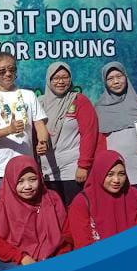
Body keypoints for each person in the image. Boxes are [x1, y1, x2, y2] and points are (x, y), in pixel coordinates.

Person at [0, 155, 72, 271]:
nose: (27, 186)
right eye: (20, 181)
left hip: (52, 256)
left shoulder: (52, 199)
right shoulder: (1, 207)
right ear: (11, 182)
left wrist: (59, 258)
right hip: (14, 259)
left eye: (33, 179)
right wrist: (22, 257)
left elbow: (66, 233)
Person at [0, 51, 49, 200]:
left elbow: (40, 125)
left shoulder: (28, 95)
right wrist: (10, 130)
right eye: (2, 71)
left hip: (27, 169)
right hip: (0, 170)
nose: (8, 74)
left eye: (11, 69)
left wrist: (43, 142)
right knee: (3, 215)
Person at [39, 62, 99, 205]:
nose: (60, 81)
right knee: (53, 215)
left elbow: (89, 134)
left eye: (65, 77)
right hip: (46, 171)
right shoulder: (39, 103)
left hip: (72, 170)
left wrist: (84, 166)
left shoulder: (79, 101)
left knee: (74, 212)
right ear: (49, 80)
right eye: (56, 78)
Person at [69, 150, 137, 249]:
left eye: (121, 174)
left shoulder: (134, 195)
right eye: (110, 174)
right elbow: (83, 244)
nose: (116, 180)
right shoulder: (82, 201)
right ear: (99, 173)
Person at [96, 62, 137, 203]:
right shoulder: (99, 108)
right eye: (110, 78)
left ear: (126, 77)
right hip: (114, 177)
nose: (116, 81)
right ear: (105, 82)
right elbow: (98, 143)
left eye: (119, 76)